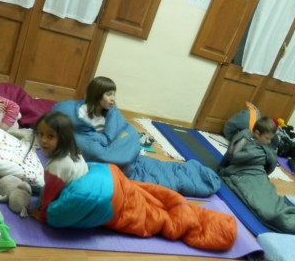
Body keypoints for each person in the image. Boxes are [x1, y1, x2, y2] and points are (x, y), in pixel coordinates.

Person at [51, 76, 221, 198]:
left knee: (161, 167)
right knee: (162, 178)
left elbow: (127, 131)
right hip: (124, 166)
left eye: (114, 94)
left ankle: (195, 174)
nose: (113, 99)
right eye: (109, 94)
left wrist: (124, 140)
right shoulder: (78, 129)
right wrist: (119, 144)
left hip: (128, 155)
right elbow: (100, 155)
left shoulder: (109, 112)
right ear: (97, 95)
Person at [218, 116, 295, 235]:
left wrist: (262, 173)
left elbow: (270, 162)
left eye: (270, 139)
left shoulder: (265, 145)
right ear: (257, 133)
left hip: (258, 173)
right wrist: (224, 169)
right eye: (267, 138)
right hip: (242, 172)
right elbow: (231, 155)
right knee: (265, 208)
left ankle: (291, 217)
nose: (269, 142)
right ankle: (287, 219)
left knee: (270, 197)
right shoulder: (244, 139)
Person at [28, 111, 89, 221]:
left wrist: (42, 213)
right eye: (40, 134)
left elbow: (49, 194)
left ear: (63, 137)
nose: (43, 140)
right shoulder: (73, 149)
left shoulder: (56, 167)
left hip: (74, 202)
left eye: (50, 136)